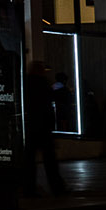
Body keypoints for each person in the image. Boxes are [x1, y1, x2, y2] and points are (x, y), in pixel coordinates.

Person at [24, 59, 66, 195]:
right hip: (43, 126)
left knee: (30, 160)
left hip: (31, 125)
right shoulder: (43, 83)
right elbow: (49, 103)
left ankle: (29, 188)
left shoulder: (26, 83)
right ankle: (57, 188)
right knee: (50, 160)